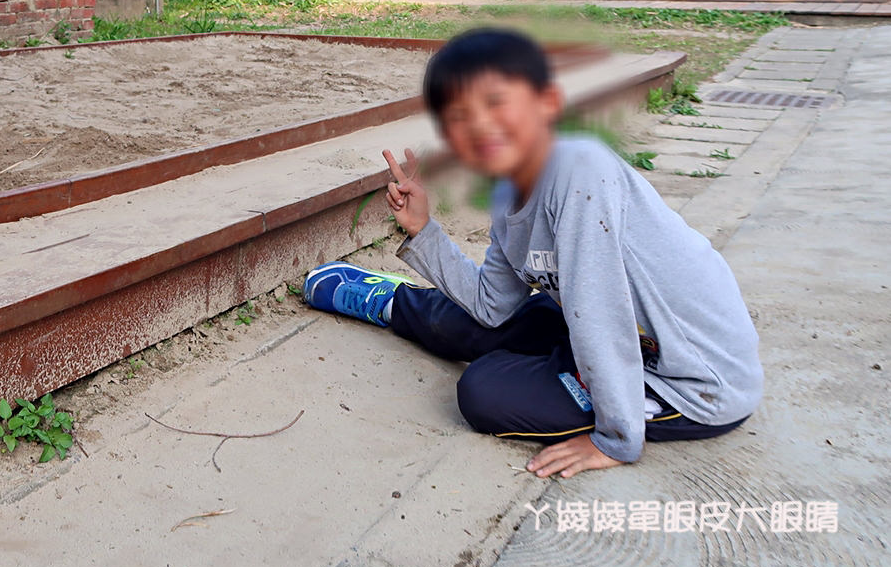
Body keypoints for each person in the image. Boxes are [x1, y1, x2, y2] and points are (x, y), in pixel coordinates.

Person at [302, 28, 762, 478]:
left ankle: (566, 378)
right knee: (478, 323)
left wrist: (616, 439)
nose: (479, 124)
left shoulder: (581, 170)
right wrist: (423, 229)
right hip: (603, 328)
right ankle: (392, 303)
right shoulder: (508, 196)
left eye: (496, 102)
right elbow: (492, 306)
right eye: (459, 115)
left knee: (486, 391)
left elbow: (599, 313)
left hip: (686, 378)